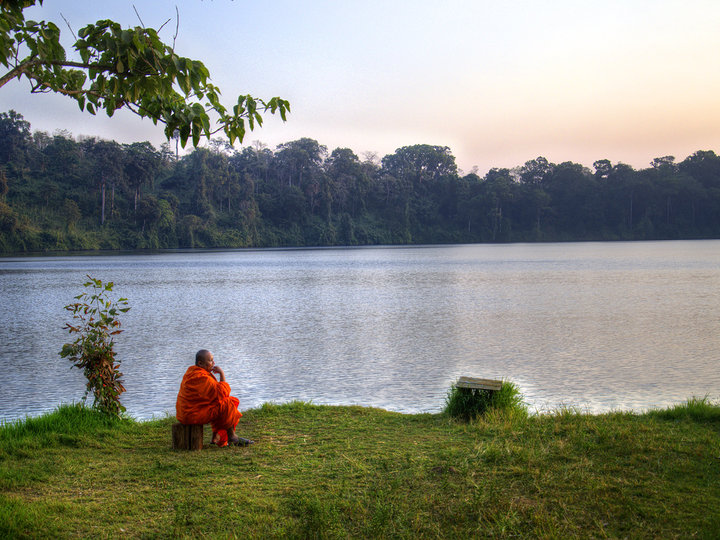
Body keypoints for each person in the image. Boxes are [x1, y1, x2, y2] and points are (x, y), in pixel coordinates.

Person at [176, 349, 253, 447]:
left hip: (184, 413)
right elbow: (222, 394)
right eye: (210, 360)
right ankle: (232, 437)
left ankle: (216, 436)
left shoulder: (191, 372)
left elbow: (213, 396)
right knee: (227, 403)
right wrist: (222, 374)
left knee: (222, 403)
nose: (213, 363)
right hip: (192, 415)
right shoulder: (202, 377)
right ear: (200, 363)